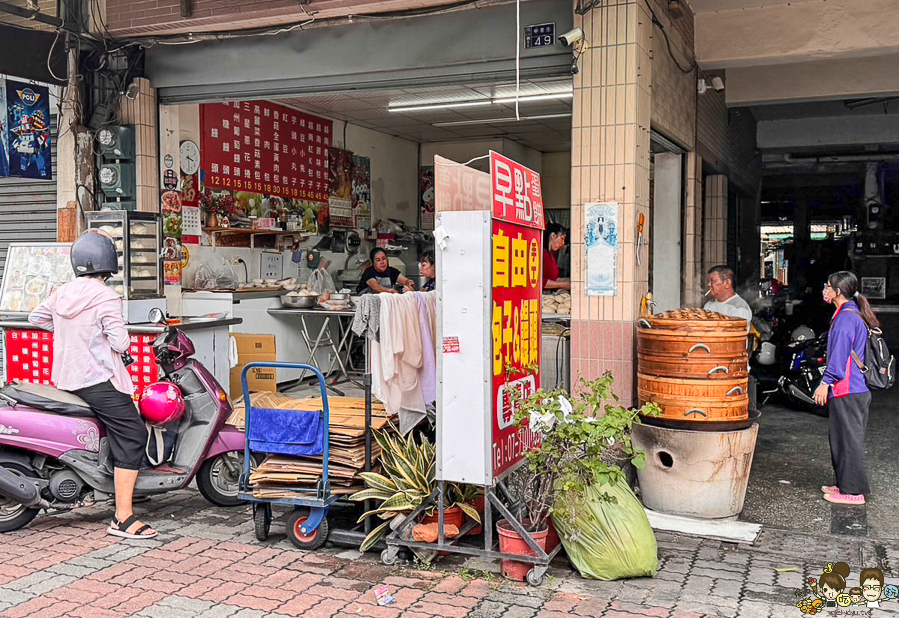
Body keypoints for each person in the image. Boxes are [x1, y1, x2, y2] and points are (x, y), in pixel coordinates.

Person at [28, 232, 157, 539]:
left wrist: (69, 332)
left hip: (67, 378)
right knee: (133, 433)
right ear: (108, 265)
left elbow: (36, 317)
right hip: (98, 379)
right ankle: (123, 517)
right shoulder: (106, 296)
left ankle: (122, 488)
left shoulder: (62, 293)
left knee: (114, 427)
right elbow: (121, 341)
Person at [814, 271, 876, 506]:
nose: (825, 290)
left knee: (849, 441)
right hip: (849, 389)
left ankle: (853, 491)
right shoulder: (847, 312)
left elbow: (839, 358)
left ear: (838, 292)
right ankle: (843, 483)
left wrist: (824, 383)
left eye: (827, 287)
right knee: (841, 438)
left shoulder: (845, 319)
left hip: (848, 389)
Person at [543, 223, 570, 291]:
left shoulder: (550, 255)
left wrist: (566, 280)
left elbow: (552, 278)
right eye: (562, 238)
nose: (563, 243)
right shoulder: (543, 254)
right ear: (553, 236)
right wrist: (563, 285)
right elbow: (540, 281)